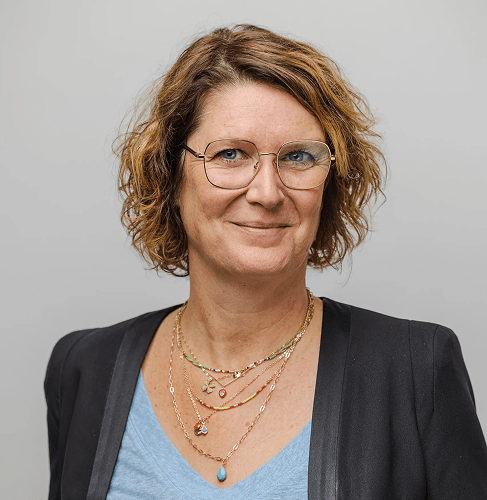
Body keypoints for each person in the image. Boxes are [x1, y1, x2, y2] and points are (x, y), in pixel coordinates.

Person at [44, 24, 487, 499]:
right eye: (231, 154)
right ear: (171, 177)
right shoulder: (83, 369)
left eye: (298, 157)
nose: (268, 192)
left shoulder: (417, 370)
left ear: (329, 183)